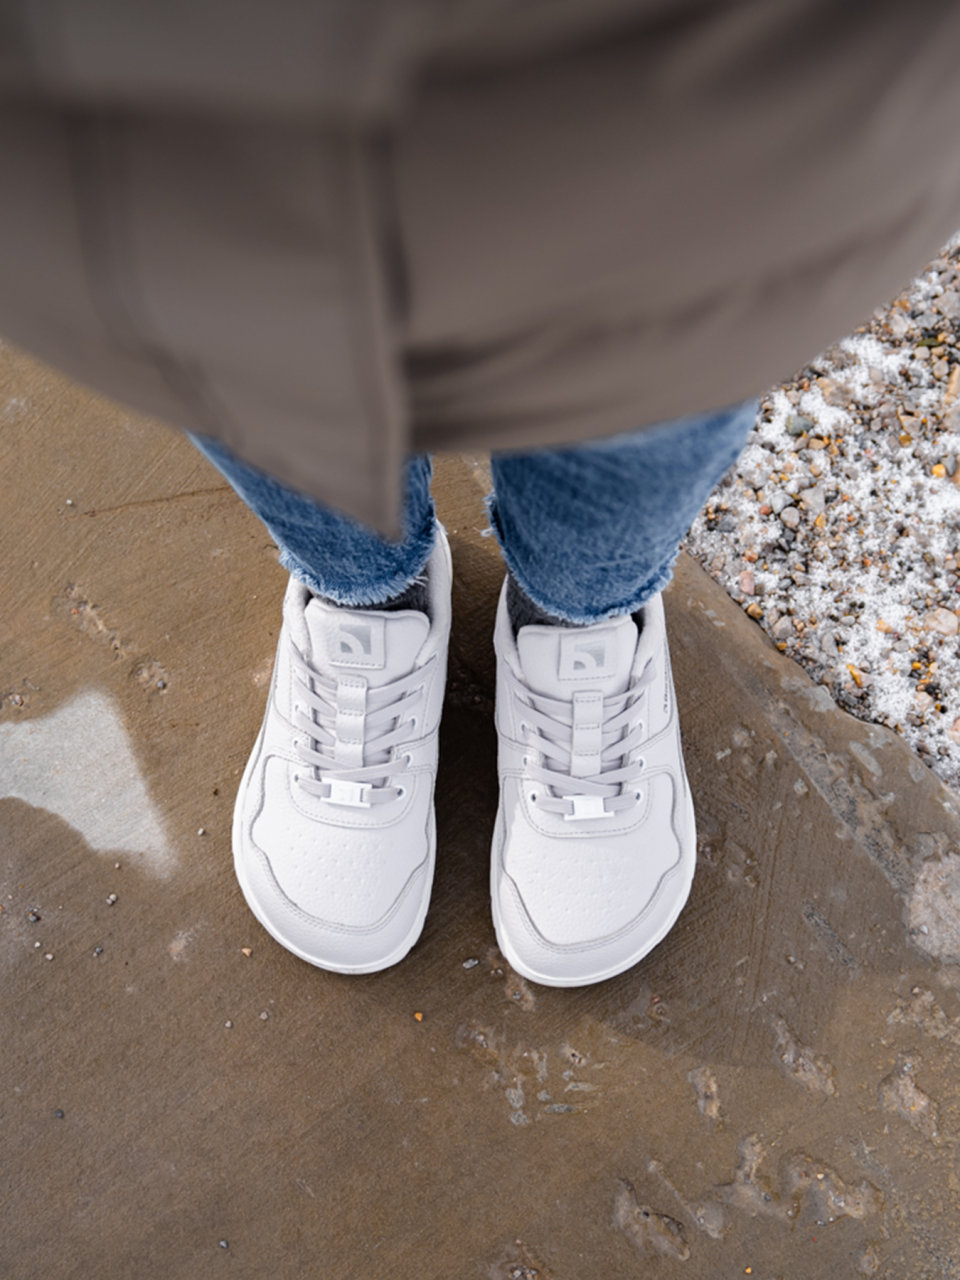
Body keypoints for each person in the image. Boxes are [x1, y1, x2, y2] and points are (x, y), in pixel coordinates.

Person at [2, 3, 960, 983]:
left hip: (701, 73)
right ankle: (368, 595)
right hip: (176, 92)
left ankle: (582, 617)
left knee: (652, 349)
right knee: (235, 325)